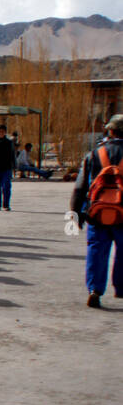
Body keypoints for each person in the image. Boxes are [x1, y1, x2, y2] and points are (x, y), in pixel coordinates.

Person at [70, 114, 123, 308]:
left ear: (110, 130)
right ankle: (121, 287)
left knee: (96, 250)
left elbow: (80, 187)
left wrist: (75, 213)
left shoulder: (94, 154)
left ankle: (94, 290)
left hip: (97, 213)